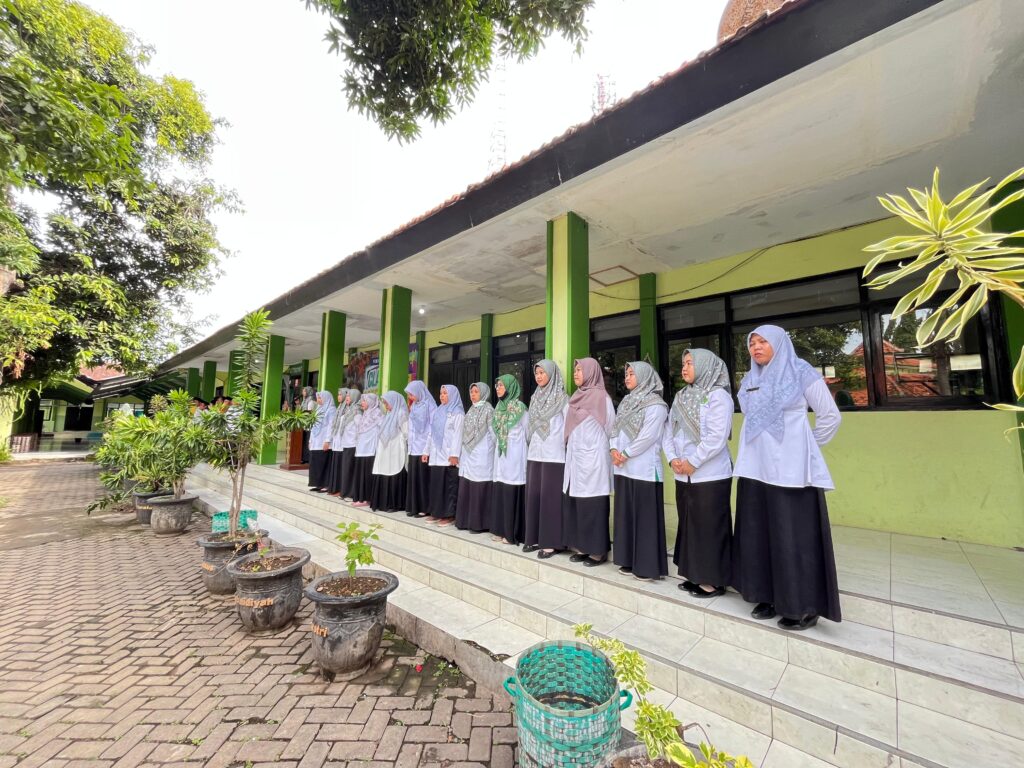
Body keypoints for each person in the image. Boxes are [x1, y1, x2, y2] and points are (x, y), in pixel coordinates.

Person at [732, 324, 842, 631]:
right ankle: (766, 596)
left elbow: (830, 417)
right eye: (752, 342)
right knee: (759, 535)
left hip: (791, 473)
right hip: (755, 470)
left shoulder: (801, 371)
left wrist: (805, 447)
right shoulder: (749, 380)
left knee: (792, 538)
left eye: (763, 341)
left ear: (779, 343)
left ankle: (801, 606)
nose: (756, 347)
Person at [664, 349, 734, 597]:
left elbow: (717, 437)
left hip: (710, 475)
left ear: (705, 366)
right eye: (683, 363)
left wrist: (693, 461)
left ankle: (714, 580)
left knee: (710, 527)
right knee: (690, 525)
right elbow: (668, 431)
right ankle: (694, 574)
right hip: (683, 474)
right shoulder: (681, 396)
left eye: (690, 363)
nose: (684, 368)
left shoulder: (718, 396)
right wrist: (672, 458)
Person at [610, 362, 669, 582]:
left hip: (645, 469)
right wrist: (613, 449)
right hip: (623, 468)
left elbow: (649, 436)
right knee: (625, 515)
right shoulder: (626, 401)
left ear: (644, 376)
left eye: (632, 373)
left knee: (645, 519)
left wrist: (625, 453)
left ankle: (646, 566)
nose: (627, 377)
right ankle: (627, 559)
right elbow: (615, 428)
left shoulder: (656, 405)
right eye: (626, 373)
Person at [563, 358, 616, 567]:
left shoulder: (602, 398)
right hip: (576, 460)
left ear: (591, 372)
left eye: (579, 370)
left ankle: (597, 551)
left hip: (594, 461)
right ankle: (582, 547)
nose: (575, 373)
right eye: (574, 370)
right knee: (579, 506)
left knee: (594, 506)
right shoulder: (575, 397)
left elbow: (611, 427)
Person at [524, 360, 569, 559]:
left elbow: (569, 426)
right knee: (534, 495)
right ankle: (534, 537)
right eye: (537, 373)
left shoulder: (563, 398)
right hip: (535, 453)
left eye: (542, 372)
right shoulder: (534, 397)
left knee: (550, 499)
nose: (539, 376)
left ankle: (551, 543)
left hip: (554, 455)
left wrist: (562, 444)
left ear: (552, 374)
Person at [491, 375, 529, 545]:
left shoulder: (520, 408)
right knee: (501, 490)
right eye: (497, 385)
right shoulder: (498, 408)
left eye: (501, 385)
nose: (498, 388)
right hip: (501, 457)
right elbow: (495, 433)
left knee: (512, 491)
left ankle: (512, 533)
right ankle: (500, 530)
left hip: (515, 458)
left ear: (510, 387)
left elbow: (528, 432)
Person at [455, 382, 495, 533]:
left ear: (483, 393)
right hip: (468, 454)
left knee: (479, 487)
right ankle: (464, 521)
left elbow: (494, 434)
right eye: (471, 392)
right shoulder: (471, 409)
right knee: (468, 486)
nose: (473, 394)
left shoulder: (489, 410)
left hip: (482, 454)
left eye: (476, 392)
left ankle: (479, 524)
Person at [423, 384, 465, 526]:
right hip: (436, 456)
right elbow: (431, 433)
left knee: (448, 486)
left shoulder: (458, 413)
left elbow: (458, 435)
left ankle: (449, 515)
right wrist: (426, 451)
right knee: (436, 485)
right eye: (441, 393)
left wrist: (454, 454)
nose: (442, 396)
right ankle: (436, 512)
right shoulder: (438, 411)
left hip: (449, 457)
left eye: (445, 393)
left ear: (452, 395)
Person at [370, 391, 409, 512]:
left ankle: (394, 504)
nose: (386, 406)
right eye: (384, 403)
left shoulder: (401, 413)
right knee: (385, 471)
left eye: (387, 403)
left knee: (394, 471)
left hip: (396, 449)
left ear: (394, 401)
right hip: (386, 450)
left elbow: (406, 432)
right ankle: (383, 503)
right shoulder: (389, 414)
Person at [404, 380, 436, 517]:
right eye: (409, 394)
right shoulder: (414, 406)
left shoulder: (430, 405)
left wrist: (426, 449)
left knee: (423, 479)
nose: (410, 396)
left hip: (423, 447)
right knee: (414, 478)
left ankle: (425, 508)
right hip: (413, 447)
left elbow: (433, 427)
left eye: (412, 393)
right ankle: (414, 506)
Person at [351, 393, 383, 507]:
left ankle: (367, 498)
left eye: (364, 401)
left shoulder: (377, 413)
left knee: (367, 475)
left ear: (370, 401)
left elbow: (381, 430)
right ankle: (360, 497)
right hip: (361, 449)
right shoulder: (365, 414)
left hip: (370, 450)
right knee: (360, 474)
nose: (362, 403)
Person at [308, 390, 335, 492]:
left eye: (320, 398)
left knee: (323, 463)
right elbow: (313, 426)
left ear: (326, 398)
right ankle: (318, 484)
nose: (318, 400)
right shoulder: (318, 409)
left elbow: (331, 426)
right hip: (315, 441)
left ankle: (325, 485)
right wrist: (310, 440)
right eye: (317, 398)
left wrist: (327, 441)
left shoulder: (331, 410)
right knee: (316, 463)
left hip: (323, 441)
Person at [337, 388, 361, 500]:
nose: (347, 398)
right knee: (345, 470)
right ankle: (345, 492)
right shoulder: (348, 409)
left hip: (353, 445)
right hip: (346, 444)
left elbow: (359, 429)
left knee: (350, 470)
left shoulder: (357, 411)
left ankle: (350, 494)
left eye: (349, 396)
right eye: (346, 396)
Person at [326, 388, 350, 496]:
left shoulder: (347, 409)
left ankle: (340, 489)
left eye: (341, 395)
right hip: (336, 441)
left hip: (343, 442)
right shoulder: (339, 408)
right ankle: (334, 488)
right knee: (336, 465)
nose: (339, 396)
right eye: (338, 394)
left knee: (340, 467)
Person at [300, 385, 316, 464]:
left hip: (309, 425)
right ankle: (304, 458)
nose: (303, 392)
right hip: (304, 424)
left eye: (304, 391)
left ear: (308, 392)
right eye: (303, 391)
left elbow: (309, 413)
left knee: (308, 442)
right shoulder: (304, 401)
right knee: (304, 442)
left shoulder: (311, 401)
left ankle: (308, 459)